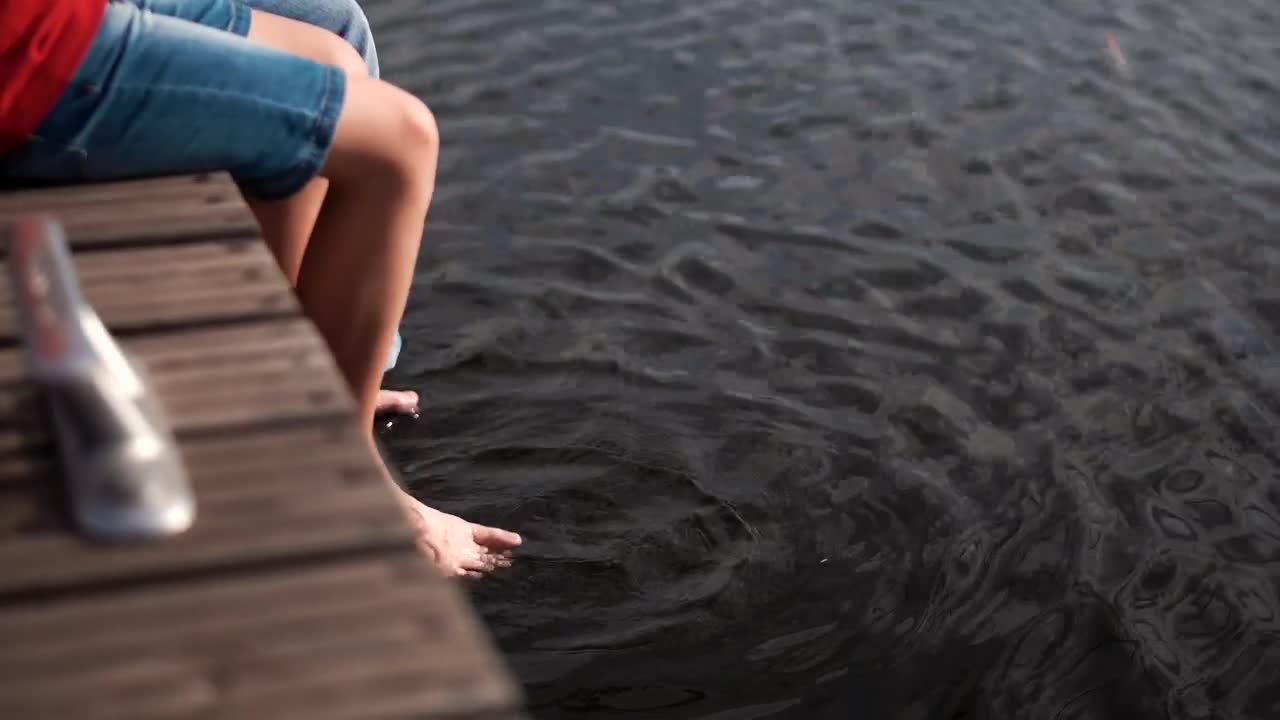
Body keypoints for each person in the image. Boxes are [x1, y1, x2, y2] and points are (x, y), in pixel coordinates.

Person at [0, 0, 521, 578]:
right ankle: (338, 467)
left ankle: (305, 379)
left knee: (333, 30)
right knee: (401, 138)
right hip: (26, 44)